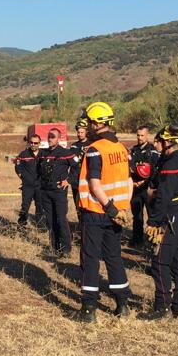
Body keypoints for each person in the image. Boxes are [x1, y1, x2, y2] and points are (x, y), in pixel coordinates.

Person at [75, 102, 132, 323]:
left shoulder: (95, 149)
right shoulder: (121, 148)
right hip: (116, 213)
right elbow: (128, 181)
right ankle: (122, 305)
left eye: (89, 122)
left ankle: (88, 308)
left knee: (90, 258)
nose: (87, 126)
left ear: (97, 124)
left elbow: (94, 184)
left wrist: (108, 206)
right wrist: (122, 209)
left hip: (97, 210)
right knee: (113, 256)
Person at [139, 125, 178, 321]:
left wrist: (153, 221)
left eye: (161, 141)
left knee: (160, 262)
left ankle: (162, 307)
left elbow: (164, 197)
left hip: (170, 219)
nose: (159, 145)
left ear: (168, 142)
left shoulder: (171, 165)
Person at [38, 128, 75, 256]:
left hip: (59, 192)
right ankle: (54, 247)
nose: (50, 139)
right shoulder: (43, 153)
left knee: (61, 219)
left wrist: (68, 180)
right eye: (49, 136)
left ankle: (66, 249)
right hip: (45, 191)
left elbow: (77, 167)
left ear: (59, 138)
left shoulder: (66, 153)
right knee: (50, 220)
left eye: (53, 136)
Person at [129, 124, 160, 246]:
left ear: (147, 135)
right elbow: (131, 167)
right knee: (137, 215)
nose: (140, 138)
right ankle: (137, 240)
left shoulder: (152, 150)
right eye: (138, 135)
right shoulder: (134, 150)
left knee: (152, 215)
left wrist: (144, 182)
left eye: (142, 135)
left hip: (148, 188)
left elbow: (154, 170)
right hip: (136, 188)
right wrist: (134, 182)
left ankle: (154, 241)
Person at [14, 133, 42, 227]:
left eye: (36, 143)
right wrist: (24, 178)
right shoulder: (23, 154)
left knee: (40, 206)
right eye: (31, 142)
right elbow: (18, 168)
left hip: (40, 185)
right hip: (27, 186)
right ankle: (22, 225)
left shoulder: (44, 154)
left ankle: (40, 226)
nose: (33, 144)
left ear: (39, 143)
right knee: (25, 206)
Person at [68, 118, 90, 220]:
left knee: (87, 205)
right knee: (78, 205)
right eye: (78, 132)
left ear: (86, 132)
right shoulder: (73, 146)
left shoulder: (92, 144)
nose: (79, 134)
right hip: (75, 180)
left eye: (82, 132)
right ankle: (81, 225)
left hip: (87, 180)